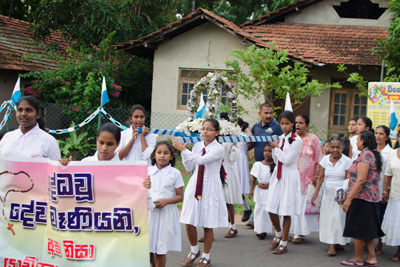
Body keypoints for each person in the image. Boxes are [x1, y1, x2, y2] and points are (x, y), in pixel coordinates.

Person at [172, 119, 228, 267]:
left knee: (207, 224)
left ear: (217, 132)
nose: (205, 131)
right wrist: (183, 152)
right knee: (189, 222)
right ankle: (194, 250)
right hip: (195, 184)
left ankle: (206, 256)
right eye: (203, 128)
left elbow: (202, 160)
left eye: (209, 129)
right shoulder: (197, 146)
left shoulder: (219, 148)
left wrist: (184, 150)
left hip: (210, 187)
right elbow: (190, 167)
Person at [341, 130, 383, 267]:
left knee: (358, 228)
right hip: (371, 198)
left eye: (358, 140)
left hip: (362, 197)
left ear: (363, 141)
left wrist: (348, 199)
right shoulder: (373, 154)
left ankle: (358, 258)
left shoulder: (365, 155)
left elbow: (360, 181)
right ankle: (371, 257)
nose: (356, 143)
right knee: (367, 229)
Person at [265, 111, 303, 254]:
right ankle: (279, 233)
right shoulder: (280, 139)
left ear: (292, 124)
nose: (284, 126)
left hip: (290, 175)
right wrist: (277, 147)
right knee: (270, 207)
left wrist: (276, 148)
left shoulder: (297, 140)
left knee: (286, 211)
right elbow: (276, 160)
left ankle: (284, 243)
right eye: (282, 123)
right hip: (278, 174)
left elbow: (287, 160)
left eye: (287, 123)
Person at [144, 141, 184, 267]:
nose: (162, 156)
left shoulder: (175, 173)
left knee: (161, 247)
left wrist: (167, 201)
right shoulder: (147, 171)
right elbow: (139, 191)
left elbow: (180, 196)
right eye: (159, 152)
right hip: (149, 214)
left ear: (171, 156)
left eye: (166, 153)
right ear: (154, 155)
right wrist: (144, 186)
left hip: (166, 214)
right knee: (147, 246)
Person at [312, 137, 352, 256]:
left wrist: (346, 196)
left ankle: (334, 244)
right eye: (332, 147)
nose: (335, 150)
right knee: (328, 219)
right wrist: (315, 194)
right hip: (327, 195)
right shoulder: (325, 160)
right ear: (329, 147)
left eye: (338, 147)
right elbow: (320, 178)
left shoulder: (346, 161)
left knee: (337, 219)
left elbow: (348, 179)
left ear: (342, 148)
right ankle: (333, 242)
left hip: (340, 196)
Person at [246, 103, 283, 228]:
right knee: (259, 192)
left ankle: (271, 222)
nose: (268, 115)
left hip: (273, 166)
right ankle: (256, 219)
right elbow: (253, 143)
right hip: (259, 164)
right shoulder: (255, 127)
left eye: (271, 113)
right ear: (260, 114)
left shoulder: (277, 126)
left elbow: (282, 143)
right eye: (266, 113)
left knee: (270, 192)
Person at [290, 114, 323, 243]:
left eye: (301, 123)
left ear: (307, 125)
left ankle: (300, 233)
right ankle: (293, 230)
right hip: (293, 177)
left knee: (303, 205)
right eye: (296, 122)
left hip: (308, 178)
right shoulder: (292, 138)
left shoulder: (313, 139)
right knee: (293, 203)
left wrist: (316, 175)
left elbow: (319, 158)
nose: (298, 125)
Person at [0, 96, 60, 160]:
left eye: (28, 110)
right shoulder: (7, 138)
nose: (23, 114)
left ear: (38, 114)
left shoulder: (49, 141)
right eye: (20, 110)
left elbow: (55, 168)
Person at [249, 143, 274, 240]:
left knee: (266, 211)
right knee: (259, 210)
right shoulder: (258, 164)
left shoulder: (275, 166)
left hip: (269, 192)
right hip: (259, 191)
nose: (267, 153)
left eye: (270, 151)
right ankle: (260, 230)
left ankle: (265, 230)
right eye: (265, 151)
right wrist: (251, 190)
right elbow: (253, 178)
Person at [374, 125, 393, 255]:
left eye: (381, 134)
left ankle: (380, 243)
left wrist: (386, 190)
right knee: (370, 216)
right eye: (376, 133)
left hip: (382, 188)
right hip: (371, 189)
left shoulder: (391, 152)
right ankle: (367, 241)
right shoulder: (371, 150)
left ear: (386, 137)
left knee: (381, 217)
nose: (378, 136)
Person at [381, 145, 400, 261]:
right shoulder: (393, 153)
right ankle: (399, 249)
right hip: (395, 195)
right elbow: (388, 174)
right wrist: (385, 190)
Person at [236, 118, 252, 222]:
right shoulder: (228, 136)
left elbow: (249, 140)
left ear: (241, 127)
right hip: (230, 161)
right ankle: (228, 211)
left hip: (240, 161)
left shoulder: (243, 135)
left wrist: (248, 129)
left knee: (239, 188)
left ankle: (247, 209)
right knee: (227, 188)